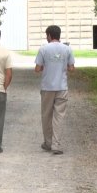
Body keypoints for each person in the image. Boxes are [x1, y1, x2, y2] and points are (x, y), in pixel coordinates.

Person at [34, 25, 75, 155]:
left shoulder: (43, 49)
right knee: (59, 116)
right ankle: (56, 144)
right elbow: (72, 68)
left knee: (46, 115)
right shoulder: (67, 49)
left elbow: (37, 69)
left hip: (47, 87)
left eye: (47, 35)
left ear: (50, 36)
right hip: (62, 87)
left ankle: (48, 142)